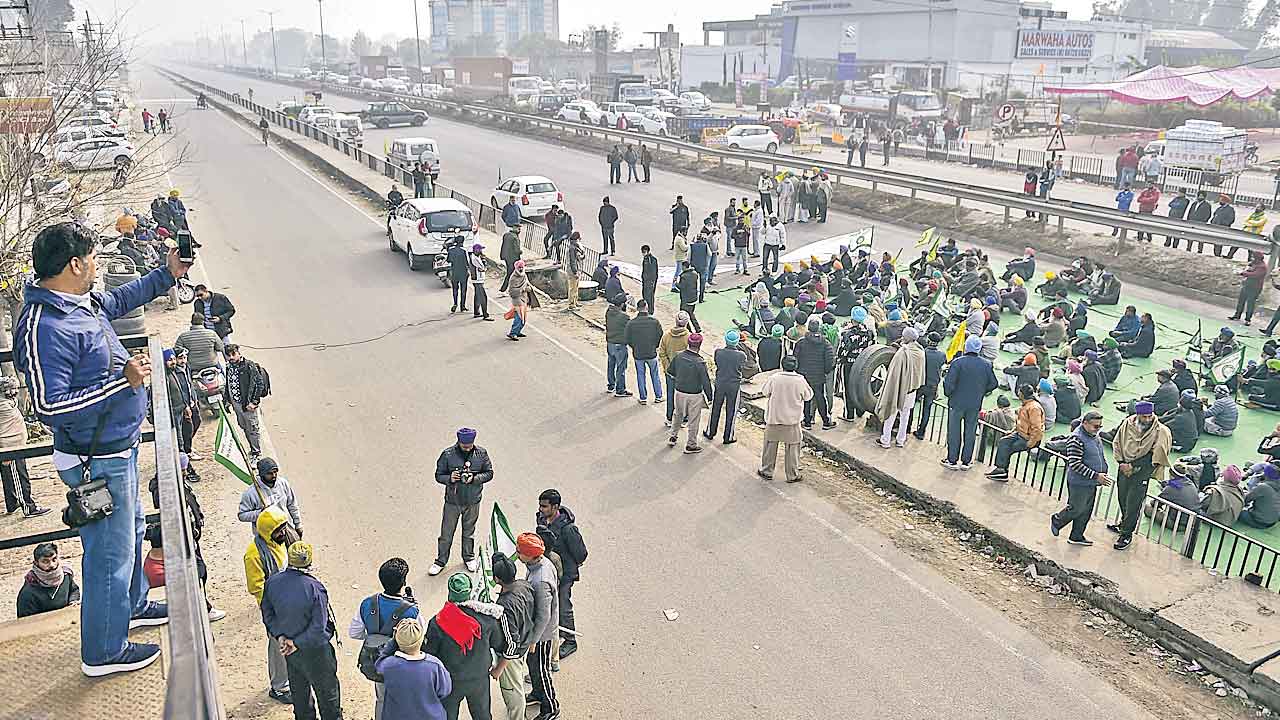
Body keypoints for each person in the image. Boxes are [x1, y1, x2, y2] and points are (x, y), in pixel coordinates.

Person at [13, 222, 188, 676]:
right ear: (74, 264)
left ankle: (129, 607)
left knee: (127, 538)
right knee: (109, 555)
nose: (97, 265)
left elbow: (116, 302)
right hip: (93, 460)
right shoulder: (42, 325)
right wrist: (121, 383)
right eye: (92, 258)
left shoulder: (80, 302)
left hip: (117, 448)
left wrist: (166, 274)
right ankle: (104, 651)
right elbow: (50, 405)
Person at [261, 542, 343, 720]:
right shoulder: (314, 588)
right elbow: (318, 628)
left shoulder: (273, 582)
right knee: (328, 698)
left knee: (300, 696)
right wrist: (297, 643)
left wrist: (281, 636)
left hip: (290, 652)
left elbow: (268, 614)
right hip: (316, 653)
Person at [423, 573, 508, 720]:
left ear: (450, 592)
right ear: (469, 592)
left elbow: (429, 654)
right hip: (479, 678)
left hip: (450, 681)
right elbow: (498, 643)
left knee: (448, 716)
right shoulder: (486, 619)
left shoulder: (437, 622)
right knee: (482, 716)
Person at [349, 558, 421, 720]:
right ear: (404, 582)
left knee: (381, 699)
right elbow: (418, 638)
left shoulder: (367, 603)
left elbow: (354, 632)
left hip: (378, 662)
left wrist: (375, 638)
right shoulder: (412, 612)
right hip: (403, 666)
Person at [244, 506, 298, 704]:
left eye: (283, 528)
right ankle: (279, 687)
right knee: (278, 646)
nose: (283, 532)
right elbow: (256, 587)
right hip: (274, 608)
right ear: (267, 532)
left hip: (291, 602)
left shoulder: (281, 541)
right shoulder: (254, 554)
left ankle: (291, 679)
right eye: (278, 530)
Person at [1107, 402, 1172, 550]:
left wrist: (1133, 465)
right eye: (1144, 416)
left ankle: (1126, 534)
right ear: (1138, 415)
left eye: (1150, 416)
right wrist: (1122, 463)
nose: (1148, 419)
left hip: (1142, 471)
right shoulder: (1127, 424)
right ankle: (1123, 524)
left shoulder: (1160, 431)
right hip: (1124, 467)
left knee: (1134, 503)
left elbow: (1155, 455)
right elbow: (1117, 443)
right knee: (1122, 497)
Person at [430, 428, 493, 576]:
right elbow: (438, 475)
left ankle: (469, 557)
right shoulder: (448, 454)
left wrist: (474, 478)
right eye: (464, 445)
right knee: (446, 533)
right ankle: (440, 561)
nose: (467, 448)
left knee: (469, 532)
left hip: (473, 501)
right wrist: (450, 478)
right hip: (453, 501)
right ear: (459, 441)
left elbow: (489, 473)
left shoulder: (481, 454)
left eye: (470, 445)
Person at [535, 489, 587, 661]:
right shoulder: (542, 519)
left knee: (563, 606)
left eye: (545, 506)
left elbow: (581, 554)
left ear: (555, 507)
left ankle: (570, 641)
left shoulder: (568, 529)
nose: (541, 509)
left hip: (564, 575)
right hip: (548, 569)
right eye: (540, 505)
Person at [515, 533, 560, 720]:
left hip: (542, 635)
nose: (517, 553)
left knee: (541, 670)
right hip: (537, 632)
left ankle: (551, 706)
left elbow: (543, 615)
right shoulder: (537, 565)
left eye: (520, 551)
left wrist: (534, 639)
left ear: (531, 555)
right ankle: (537, 693)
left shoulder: (540, 580)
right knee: (533, 666)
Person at [1051, 411, 1110, 546]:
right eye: (1095, 426)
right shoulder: (1076, 439)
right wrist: (1096, 475)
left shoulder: (1094, 436)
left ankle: (1076, 536)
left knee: (1086, 510)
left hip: (1092, 482)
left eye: (1100, 426)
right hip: (1079, 483)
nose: (1098, 429)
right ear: (1085, 423)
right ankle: (1058, 520)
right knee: (1077, 508)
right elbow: (1075, 464)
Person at [375, 617, 451, 720]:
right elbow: (445, 691)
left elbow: (379, 663)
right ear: (421, 640)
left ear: (397, 641)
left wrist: (393, 641)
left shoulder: (389, 665)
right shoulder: (435, 665)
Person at [941, 337, 998, 470]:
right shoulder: (987, 364)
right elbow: (994, 384)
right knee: (970, 431)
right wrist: (982, 391)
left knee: (954, 431)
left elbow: (949, 384)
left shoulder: (957, 363)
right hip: (974, 404)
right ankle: (967, 461)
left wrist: (950, 394)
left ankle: (952, 460)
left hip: (957, 403)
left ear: (966, 347)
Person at [491, 552, 533, 720]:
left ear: (497, 579)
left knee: (513, 692)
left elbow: (511, 643)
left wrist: (499, 669)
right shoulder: (524, 585)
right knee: (518, 685)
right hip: (526, 641)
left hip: (512, 656)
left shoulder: (504, 606)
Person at [0, 374, 48, 517]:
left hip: (13, 446)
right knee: (20, 478)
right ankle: (28, 507)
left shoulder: (7, 401)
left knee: (9, 477)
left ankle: (12, 503)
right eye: (10, 389)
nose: (14, 391)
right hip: (10, 446)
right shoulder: (3, 405)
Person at [759, 355, 812, 483]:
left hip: (774, 419)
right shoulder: (800, 380)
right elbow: (808, 396)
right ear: (796, 366)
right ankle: (792, 474)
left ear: (782, 365)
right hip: (792, 421)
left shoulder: (774, 378)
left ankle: (767, 471)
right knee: (793, 449)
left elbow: (765, 392)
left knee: (770, 447)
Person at [875, 327, 925, 448]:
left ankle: (885, 440)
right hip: (912, 390)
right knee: (905, 415)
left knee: (891, 413)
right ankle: (901, 440)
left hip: (899, 389)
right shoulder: (921, 352)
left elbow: (893, 374)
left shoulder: (902, 353)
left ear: (906, 338)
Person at [986, 384, 1044, 481]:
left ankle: (1003, 472)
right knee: (1003, 442)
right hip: (1020, 434)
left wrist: (1032, 442)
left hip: (1028, 438)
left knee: (1008, 448)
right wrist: (1012, 431)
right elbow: (1020, 422)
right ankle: (1000, 469)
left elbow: (1037, 428)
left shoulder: (1034, 408)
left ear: (1021, 394)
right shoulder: (1025, 405)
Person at [667, 332, 712, 453]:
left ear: (688, 342)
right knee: (693, 420)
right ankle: (691, 444)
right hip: (694, 394)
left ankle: (673, 436)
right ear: (700, 345)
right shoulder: (700, 362)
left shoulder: (679, 356)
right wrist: (710, 396)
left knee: (678, 415)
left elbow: (670, 372)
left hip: (679, 391)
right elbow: (706, 382)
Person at [225, 344, 270, 460]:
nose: (231, 357)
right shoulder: (228, 367)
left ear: (239, 353)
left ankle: (256, 453)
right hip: (236, 404)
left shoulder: (249, 366)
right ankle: (252, 449)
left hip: (247, 405)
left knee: (253, 429)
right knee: (244, 426)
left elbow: (259, 384)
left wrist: (254, 402)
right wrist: (227, 400)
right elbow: (228, 384)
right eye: (228, 355)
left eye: (233, 354)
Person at [16, 542, 79, 618]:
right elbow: (26, 622)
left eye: (54, 559)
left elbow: (74, 590)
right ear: (36, 563)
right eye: (45, 561)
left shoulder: (66, 576)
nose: (52, 565)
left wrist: (73, 602)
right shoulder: (28, 592)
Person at [795, 318, 837, 430]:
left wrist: (798, 371)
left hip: (804, 375)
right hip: (819, 375)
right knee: (820, 397)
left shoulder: (801, 342)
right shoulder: (825, 343)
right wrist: (826, 371)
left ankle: (807, 421)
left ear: (808, 328)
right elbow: (829, 360)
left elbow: (795, 359)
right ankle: (826, 421)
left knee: (806, 398)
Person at [706, 330, 747, 444]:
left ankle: (710, 432)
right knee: (731, 410)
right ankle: (728, 436)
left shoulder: (718, 352)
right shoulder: (741, 355)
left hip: (720, 382)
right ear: (737, 341)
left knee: (715, 407)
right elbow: (743, 366)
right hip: (734, 385)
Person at [911, 332, 948, 439]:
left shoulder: (922, 352)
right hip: (933, 386)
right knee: (927, 410)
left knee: (911, 406)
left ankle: (907, 426)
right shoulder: (942, 355)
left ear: (928, 341)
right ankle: (921, 433)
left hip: (920, 384)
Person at [659, 312, 692, 427]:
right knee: (685, 396)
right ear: (686, 323)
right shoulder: (689, 337)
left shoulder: (666, 335)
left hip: (670, 373)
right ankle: (684, 419)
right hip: (685, 373)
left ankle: (669, 418)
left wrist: (668, 368)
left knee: (670, 395)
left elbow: (662, 353)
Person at [1231, 251, 1268, 325]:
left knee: (1250, 303)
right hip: (1246, 285)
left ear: (1257, 258)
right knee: (1241, 301)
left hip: (1254, 288)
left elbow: (1255, 275)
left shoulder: (1262, 267)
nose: (1252, 258)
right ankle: (1237, 315)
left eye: (1253, 257)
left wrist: (1243, 273)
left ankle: (1248, 319)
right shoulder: (1253, 263)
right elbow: (1248, 269)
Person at [468, 243, 493, 321]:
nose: (481, 251)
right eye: (480, 249)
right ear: (476, 250)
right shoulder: (475, 258)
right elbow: (482, 267)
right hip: (477, 280)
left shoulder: (475, 256)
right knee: (483, 297)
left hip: (478, 279)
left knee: (477, 296)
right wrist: (483, 262)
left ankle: (476, 312)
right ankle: (486, 315)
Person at [507, 261, 530, 341]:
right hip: (517, 299)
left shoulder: (524, 275)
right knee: (519, 317)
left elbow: (527, 284)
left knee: (524, 317)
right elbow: (511, 291)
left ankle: (518, 331)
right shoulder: (513, 278)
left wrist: (528, 289)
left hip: (523, 298)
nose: (520, 269)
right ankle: (513, 333)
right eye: (519, 267)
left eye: (521, 267)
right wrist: (522, 289)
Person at [677, 262, 702, 333]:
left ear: (684, 267)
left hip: (686, 299)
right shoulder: (695, 274)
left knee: (683, 315)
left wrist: (676, 283)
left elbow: (681, 287)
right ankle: (697, 328)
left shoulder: (684, 276)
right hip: (693, 297)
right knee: (691, 313)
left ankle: (688, 330)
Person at [446, 238, 470, 313]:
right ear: (462, 242)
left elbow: (448, 260)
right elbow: (467, 263)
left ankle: (455, 303)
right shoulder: (464, 251)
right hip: (463, 273)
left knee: (455, 289)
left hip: (454, 272)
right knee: (463, 290)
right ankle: (462, 306)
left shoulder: (451, 250)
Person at [498, 225, 521, 293]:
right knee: (510, 274)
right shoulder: (515, 238)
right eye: (519, 229)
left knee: (512, 273)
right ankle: (503, 289)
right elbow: (517, 250)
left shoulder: (506, 235)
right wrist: (520, 252)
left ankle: (512, 288)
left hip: (506, 257)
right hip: (513, 259)